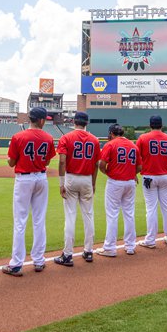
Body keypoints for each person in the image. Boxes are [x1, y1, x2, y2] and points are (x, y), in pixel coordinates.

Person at [3, 107, 55, 276]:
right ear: (41, 120)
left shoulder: (18, 136)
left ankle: (17, 264)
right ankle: (39, 260)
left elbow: (11, 163)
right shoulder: (48, 137)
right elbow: (47, 160)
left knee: (20, 221)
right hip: (41, 178)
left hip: (24, 179)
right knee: (39, 219)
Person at [55, 111, 100, 266]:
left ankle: (67, 255)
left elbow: (62, 161)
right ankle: (88, 251)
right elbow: (96, 165)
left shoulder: (66, 137)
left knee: (70, 216)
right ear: (86, 123)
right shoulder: (94, 140)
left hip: (71, 178)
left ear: (74, 121)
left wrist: (61, 183)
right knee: (88, 215)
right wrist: (93, 183)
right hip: (87, 178)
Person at [95, 124, 139, 256]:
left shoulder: (110, 144)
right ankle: (130, 246)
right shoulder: (133, 145)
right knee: (129, 214)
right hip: (130, 182)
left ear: (111, 133)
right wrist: (133, 174)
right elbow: (140, 166)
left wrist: (107, 172)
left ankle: (110, 248)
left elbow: (101, 163)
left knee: (112, 214)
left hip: (115, 182)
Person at [136, 115, 167, 248]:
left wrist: (133, 173)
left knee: (151, 208)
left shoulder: (143, 138)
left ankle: (150, 240)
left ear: (150, 124)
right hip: (166, 176)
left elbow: (137, 158)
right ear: (162, 124)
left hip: (149, 176)